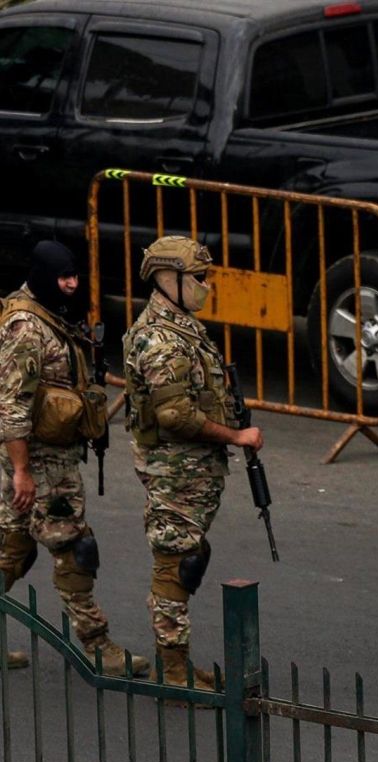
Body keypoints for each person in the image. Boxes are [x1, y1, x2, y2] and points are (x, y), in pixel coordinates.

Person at [0, 240, 149, 675]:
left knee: (13, 547)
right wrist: (23, 471)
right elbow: (12, 406)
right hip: (40, 460)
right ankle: (97, 645)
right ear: (43, 275)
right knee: (73, 545)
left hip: (48, 454)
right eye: (62, 276)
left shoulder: (50, 312)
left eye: (74, 275)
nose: (70, 283)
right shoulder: (26, 327)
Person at [122, 236, 263, 690]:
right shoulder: (161, 340)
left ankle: (176, 664)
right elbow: (175, 415)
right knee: (175, 567)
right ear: (170, 279)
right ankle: (173, 673)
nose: (206, 285)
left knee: (186, 560)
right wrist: (236, 436)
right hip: (174, 472)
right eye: (199, 277)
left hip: (191, 471)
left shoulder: (181, 326)